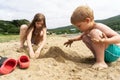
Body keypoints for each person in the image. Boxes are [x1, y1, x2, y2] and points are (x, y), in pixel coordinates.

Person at [64, 5, 120, 70]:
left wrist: (105, 41)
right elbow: (81, 37)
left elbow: (118, 38)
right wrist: (72, 40)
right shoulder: (87, 30)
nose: (78, 28)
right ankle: (99, 58)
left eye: (79, 26)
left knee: (94, 33)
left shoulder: (99, 26)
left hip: (113, 53)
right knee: (85, 37)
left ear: (87, 20)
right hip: (106, 52)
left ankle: (101, 62)